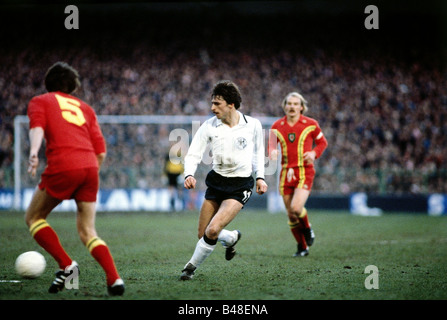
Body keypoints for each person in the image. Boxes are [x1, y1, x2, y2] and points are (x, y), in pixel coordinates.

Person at [25, 62, 124, 295]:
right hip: (90, 167)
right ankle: (114, 279)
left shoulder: (40, 101)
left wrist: (33, 152)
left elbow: (37, 127)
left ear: (48, 83)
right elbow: (101, 151)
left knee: (33, 217)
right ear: (73, 86)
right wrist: (87, 174)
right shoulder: (85, 108)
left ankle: (67, 266)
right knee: (88, 231)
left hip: (63, 164)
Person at [180, 80, 268, 280]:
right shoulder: (209, 126)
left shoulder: (252, 125)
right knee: (203, 233)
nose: (212, 108)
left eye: (217, 104)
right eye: (212, 103)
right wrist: (189, 174)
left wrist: (260, 178)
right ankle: (230, 237)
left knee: (212, 230)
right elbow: (194, 153)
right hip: (217, 183)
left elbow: (258, 154)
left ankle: (189, 269)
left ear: (231, 104)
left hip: (240, 186)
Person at [269, 92, 328, 257]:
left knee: (296, 208)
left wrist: (314, 153)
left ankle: (308, 229)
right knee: (291, 215)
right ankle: (302, 247)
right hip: (286, 173)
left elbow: (323, 142)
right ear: (285, 106)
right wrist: (272, 151)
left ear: (301, 107)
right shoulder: (276, 126)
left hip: (304, 171)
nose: (292, 106)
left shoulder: (311, 124)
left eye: (296, 104)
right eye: (289, 103)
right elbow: (271, 145)